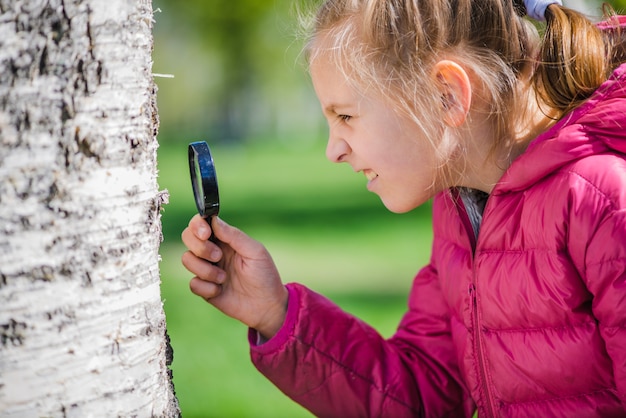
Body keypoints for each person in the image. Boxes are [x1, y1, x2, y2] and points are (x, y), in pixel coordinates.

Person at [181, 0, 626, 415]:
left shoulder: (602, 201)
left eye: (346, 116)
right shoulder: (462, 209)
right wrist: (276, 314)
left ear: (446, 95)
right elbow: (421, 393)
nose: (333, 150)